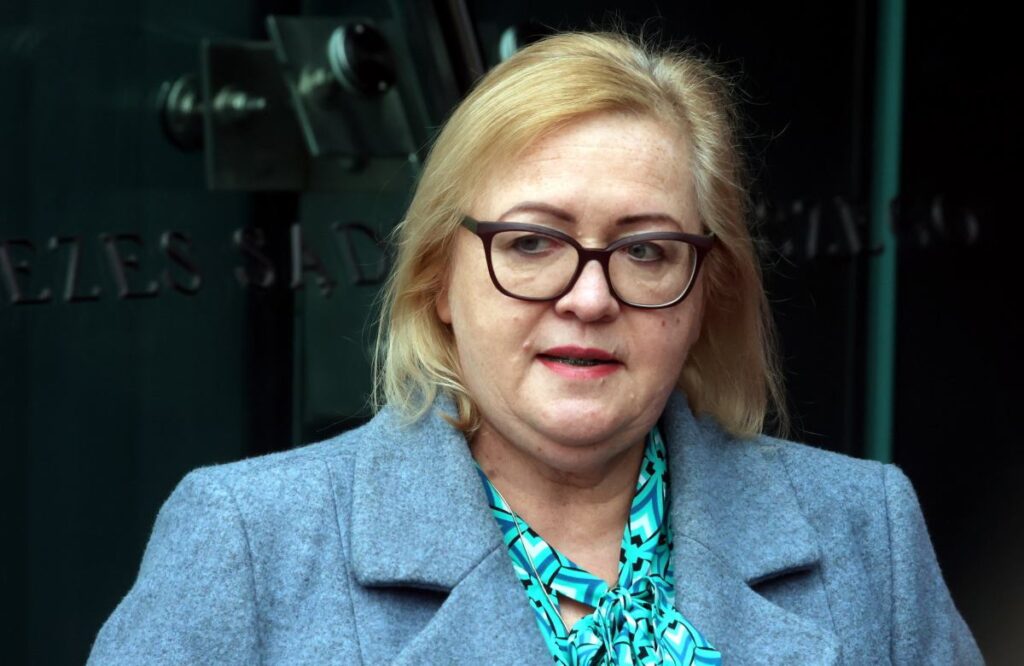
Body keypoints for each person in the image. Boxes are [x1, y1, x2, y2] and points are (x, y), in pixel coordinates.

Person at [89, 31, 983, 664]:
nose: (589, 298)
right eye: (531, 243)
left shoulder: (867, 533)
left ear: (706, 293)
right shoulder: (250, 544)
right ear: (438, 280)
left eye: (646, 251)